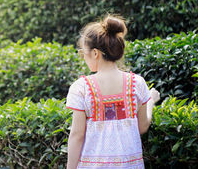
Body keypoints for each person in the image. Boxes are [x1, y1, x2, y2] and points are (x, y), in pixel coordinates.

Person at [66, 14, 160, 169]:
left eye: (83, 52)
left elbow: (77, 135)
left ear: (95, 53)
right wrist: (150, 101)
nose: (83, 57)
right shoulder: (137, 83)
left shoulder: (81, 87)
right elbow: (142, 126)